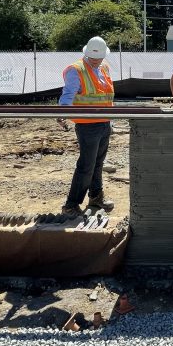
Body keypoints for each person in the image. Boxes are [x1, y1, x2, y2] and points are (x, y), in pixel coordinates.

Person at [58, 36, 115, 216]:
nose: (97, 61)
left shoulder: (104, 66)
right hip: (87, 126)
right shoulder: (76, 70)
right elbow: (67, 95)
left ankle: (96, 196)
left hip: (104, 122)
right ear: (87, 54)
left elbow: (105, 95)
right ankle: (71, 204)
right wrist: (61, 113)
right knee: (86, 165)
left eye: (99, 57)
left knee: (98, 163)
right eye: (94, 58)